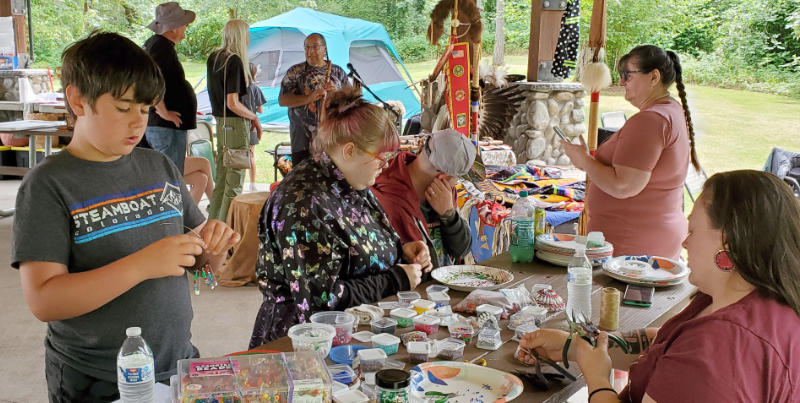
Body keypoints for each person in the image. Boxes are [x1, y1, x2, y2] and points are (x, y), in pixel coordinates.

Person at [11, 32, 240, 401]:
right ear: (78, 100)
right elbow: (44, 300)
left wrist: (214, 248)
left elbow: (200, 265)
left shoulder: (159, 166)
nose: (138, 123)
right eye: (123, 108)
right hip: (98, 378)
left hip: (177, 364)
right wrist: (143, 264)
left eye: (146, 109)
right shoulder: (49, 184)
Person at [518, 170, 800, 402]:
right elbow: (666, 346)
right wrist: (576, 347)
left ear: (727, 242)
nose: (685, 242)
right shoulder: (762, 302)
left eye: (692, 231)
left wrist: (598, 381)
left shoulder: (717, 351)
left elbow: (689, 361)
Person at [249, 88, 430, 347]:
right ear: (349, 151)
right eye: (382, 158)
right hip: (300, 346)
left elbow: (360, 249)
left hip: (353, 333)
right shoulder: (303, 205)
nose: (386, 165)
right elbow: (321, 302)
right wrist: (397, 278)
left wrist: (402, 252)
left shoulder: (350, 182)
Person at [562, 45, 700, 260]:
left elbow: (623, 185)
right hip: (647, 237)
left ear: (654, 77)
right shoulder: (669, 111)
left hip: (633, 244)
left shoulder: (651, 119)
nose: (622, 82)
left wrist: (584, 161)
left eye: (627, 75)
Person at [372, 128, 474, 269]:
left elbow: (461, 251)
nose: (455, 184)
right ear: (444, 176)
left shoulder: (445, 193)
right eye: (458, 178)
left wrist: (450, 216)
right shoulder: (388, 200)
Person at [206, 19, 262, 221]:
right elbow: (233, 102)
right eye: (247, 35)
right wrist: (253, 116)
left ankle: (213, 226)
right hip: (235, 125)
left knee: (221, 179)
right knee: (234, 182)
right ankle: (225, 232)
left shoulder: (214, 57)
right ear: (241, 36)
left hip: (220, 124)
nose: (248, 39)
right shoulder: (235, 60)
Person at [142, 2, 197, 173]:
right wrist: (163, 111)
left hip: (164, 126)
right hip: (164, 126)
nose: (186, 27)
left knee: (169, 175)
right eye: (184, 24)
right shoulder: (161, 47)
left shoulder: (159, 45)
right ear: (173, 28)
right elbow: (151, 80)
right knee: (169, 177)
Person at [278, 33, 348, 165]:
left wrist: (337, 93)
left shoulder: (338, 72)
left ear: (324, 49)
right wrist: (308, 98)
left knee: (331, 177)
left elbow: (352, 102)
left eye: (315, 47)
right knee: (303, 177)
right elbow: (283, 100)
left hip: (332, 136)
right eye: (307, 47)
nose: (310, 51)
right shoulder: (296, 71)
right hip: (302, 139)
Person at [241, 62, 266, 191]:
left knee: (238, 154)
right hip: (252, 126)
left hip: (240, 125)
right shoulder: (255, 89)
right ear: (254, 74)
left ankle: (239, 182)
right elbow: (260, 110)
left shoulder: (238, 89)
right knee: (251, 155)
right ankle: (252, 184)